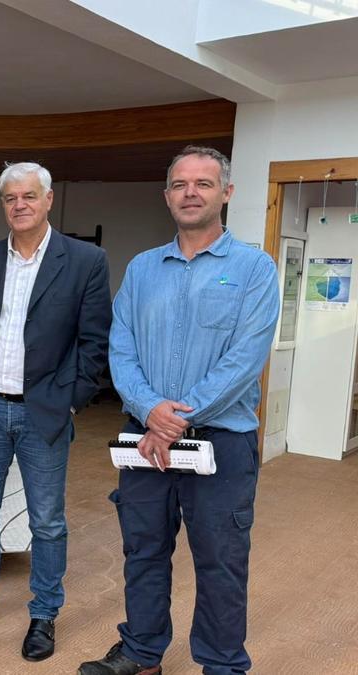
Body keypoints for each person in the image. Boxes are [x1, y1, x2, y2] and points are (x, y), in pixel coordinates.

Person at [79, 147, 279, 675]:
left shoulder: (254, 269)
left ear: (226, 193)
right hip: (145, 440)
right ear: (167, 195)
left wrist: (174, 419)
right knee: (143, 552)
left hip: (221, 443)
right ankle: (142, 653)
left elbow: (245, 358)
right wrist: (150, 410)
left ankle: (222, 665)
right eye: (180, 184)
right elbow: (121, 348)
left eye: (203, 184)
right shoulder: (142, 268)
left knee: (220, 561)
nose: (191, 193)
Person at [0, 161, 111, 662]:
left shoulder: (85, 261)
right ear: (3, 204)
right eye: (11, 198)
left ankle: (44, 613)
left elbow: (95, 341)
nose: (20, 205)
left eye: (29, 196)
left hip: (45, 413)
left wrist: (71, 399)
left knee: (47, 521)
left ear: (48, 199)